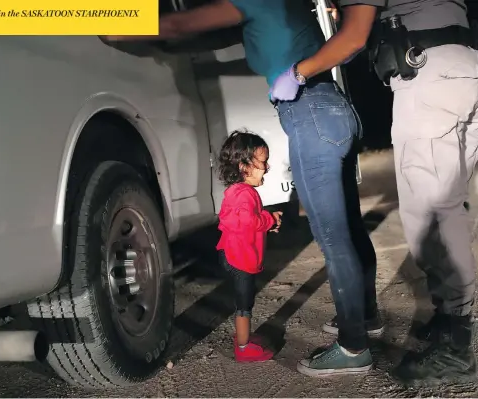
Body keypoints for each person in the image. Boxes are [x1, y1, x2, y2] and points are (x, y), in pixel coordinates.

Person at [106, 0, 382, 377]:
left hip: (310, 113)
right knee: (347, 227)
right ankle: (365, 319)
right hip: (331, 108)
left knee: (333, 236)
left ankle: (353, 347)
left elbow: (179, 24)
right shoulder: (282, 6)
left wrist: (107, 22)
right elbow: (203, 36)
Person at [271, 0, 478, 388]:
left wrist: (298, 72)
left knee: (429, 218)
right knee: (449, 209)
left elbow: (354, 35)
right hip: (470, 67)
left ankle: (457, 348)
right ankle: (450, 323)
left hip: (431, 77)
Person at [216, 130, 282, 362]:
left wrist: (266, 220)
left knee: (243, 302)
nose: (267, 167)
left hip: (231, 254)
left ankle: (243, 338)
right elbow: (248, 222)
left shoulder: (237, 192)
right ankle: (243, 348)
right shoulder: (245, 194)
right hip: (240, 259)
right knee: (244, 305)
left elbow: (242, 220)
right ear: (244, 166)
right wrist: (269, 219)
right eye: (262, 162)